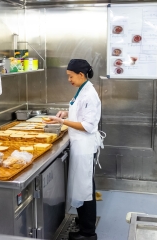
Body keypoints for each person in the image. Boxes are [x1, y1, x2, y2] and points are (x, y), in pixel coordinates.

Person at [46, 59, 101, 240]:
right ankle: (85, 221)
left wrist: (62, 121)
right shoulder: (82, 89)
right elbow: (80, 112)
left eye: (71, 76)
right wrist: (66, 113)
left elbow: (88, 125)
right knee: (82, 186)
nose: (69, 79)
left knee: (84, 188)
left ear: (81, 75)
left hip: (85, 146)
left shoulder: (89, 94)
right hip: (79, 145)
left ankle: (88, 233)